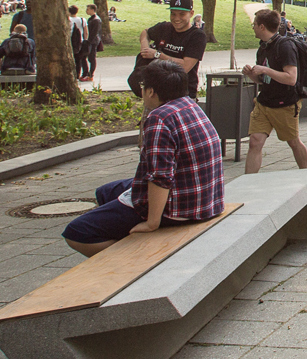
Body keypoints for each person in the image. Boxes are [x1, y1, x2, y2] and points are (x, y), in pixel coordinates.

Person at [63, 62, 225, 255]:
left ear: (150, 92)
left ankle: (133, 256)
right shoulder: (190, 105)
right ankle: (125, 235)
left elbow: (160, 177)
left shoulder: (159, 118)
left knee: (77, 232)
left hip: (179, 209)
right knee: (104, 192)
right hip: (207, 200)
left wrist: (151, 223)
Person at [242, 10, 307, 174]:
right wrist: (252, 74)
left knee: (293, 142)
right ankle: (248, 183)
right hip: (264, 103)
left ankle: (305, 173)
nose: (252, 28)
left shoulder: (285, 46)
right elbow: (262, 81)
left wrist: (266, 70)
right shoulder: (263, 48)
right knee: (255, 142)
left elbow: (291, 78)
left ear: (262, 26)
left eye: (254, 25)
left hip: (284, 104)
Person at [136, 0, 207, 98]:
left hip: (182, 93)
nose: (176, 18)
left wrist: (157, 55)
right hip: (156, 93)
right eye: (173, 14)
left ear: (191, 13)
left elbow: (185, 66)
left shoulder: (197, 36)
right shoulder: (164, 28)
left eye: (182, 14)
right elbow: (145, 32)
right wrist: (145, 47)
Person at [79, 3, 102, 83]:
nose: (86, 11)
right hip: (89, 41)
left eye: (88, 9)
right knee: (83, 57)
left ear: (92, 10)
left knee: (91, 58)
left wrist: (89, 42)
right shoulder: (91, 19)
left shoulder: (96, 20)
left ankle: (90, 75)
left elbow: (94, 32)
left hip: (93, 42)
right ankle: (85, 72)